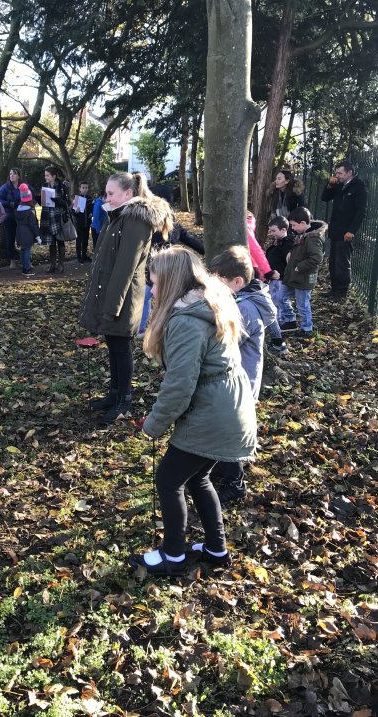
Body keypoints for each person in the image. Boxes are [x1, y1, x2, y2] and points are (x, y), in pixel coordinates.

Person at [128, 247, 257, 576]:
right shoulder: (207, 302)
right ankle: (216, 549)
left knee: (168, 480)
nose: (152, 290)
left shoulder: (187, 321)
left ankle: (172, 555)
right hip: (225, 407)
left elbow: (179, 386)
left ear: (171, 282)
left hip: (214, 413)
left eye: (155, 283)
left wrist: (154, 425)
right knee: (198, 478)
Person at [79, 171, 172, 424]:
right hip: (114, 295)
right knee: (113, 345)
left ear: (128, 194)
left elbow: (125, 267)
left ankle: (124, 401)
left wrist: (112, 306)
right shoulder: (119, 215)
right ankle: (114, 394)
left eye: (111, 193)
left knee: (121, 348)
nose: (106, 197)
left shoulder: (135, 220)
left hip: (124, 297)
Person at [209, 246, 277, 503]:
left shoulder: (245, 309)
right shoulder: (240, 301)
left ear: (237, 282)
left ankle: (235, 483)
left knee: (229, 430)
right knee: (224, 426)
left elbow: (227, 343)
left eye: (219, 282)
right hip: (236, 379)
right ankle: (221, 468)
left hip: (240, 381)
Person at [138, 217, 205, 337]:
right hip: (152, 271)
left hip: (173, 273)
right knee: (145, 297)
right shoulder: (148, 226)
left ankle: (164, 327)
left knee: (169, 300)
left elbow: (188, 238)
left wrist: (203, 249)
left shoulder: (174, 226)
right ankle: (142, 328)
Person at [321, 160, 368, 302]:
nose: (337, 175)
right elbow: (325, 198)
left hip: (346, 231)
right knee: (333, 261)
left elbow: (361, 212)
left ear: (350, 173)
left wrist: (352, 231)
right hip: (335, 229)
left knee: (342, 263)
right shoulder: (338, 185)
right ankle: (334, 289)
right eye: (336, 173)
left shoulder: (359, 187)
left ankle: (342, 292)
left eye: (340, 173)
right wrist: (329, 185)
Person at [278, 207, 327, 338]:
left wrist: (299, 267)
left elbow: (316, 258)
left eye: (294, 225)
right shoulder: (302, 234)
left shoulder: (313, 238)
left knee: (302, 304)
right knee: (281, 297)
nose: (292, 228)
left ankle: (307, 328)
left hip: (303, 277)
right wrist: (291, 253)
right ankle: (289, 321)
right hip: (293, 276)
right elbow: (299, 249)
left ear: (303, 223)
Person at [40, 166, 71, 274]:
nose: (46, 177)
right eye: (45, 175)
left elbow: (67, 203)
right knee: (51, 242)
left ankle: (61, 265)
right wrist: (38, 199)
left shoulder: (62, 186)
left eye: (47, 175)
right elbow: (43, 202)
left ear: (54, 176)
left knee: (60, 240)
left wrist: (57, 200)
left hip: (58, 217)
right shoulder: (44, 186)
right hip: (48, 216)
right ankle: (52, 265)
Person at [265, 216, 295, 327]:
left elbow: (289, 258)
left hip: (281, 277)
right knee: (275, 298)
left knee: (280, 299)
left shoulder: (287, 243)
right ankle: (280, 319)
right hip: (274, 276)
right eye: (270, 231)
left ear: (283, 230)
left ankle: (288, 320)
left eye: (273, 231)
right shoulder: (278, 242)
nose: (271, 233)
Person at [0, 168, 22, 269]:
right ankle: (12, 260)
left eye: (14, 174)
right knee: (10, 239)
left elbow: (31, 196)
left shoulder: (24, 186)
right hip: (9, 216)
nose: (12, 175)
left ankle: (25, 259)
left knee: (23, 239)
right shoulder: (5, 187)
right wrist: (10, 204)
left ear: (18, 176)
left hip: (22, 217)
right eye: (10, 174)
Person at [15, 184, 42, 277]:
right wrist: (38, 236)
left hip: (19, 233)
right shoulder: (30, 212)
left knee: (23, 250)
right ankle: (27, 268)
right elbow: (33, 225)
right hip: (28, 234)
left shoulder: (18, 210)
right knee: (26, 251)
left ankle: (24, 266)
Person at [72, 181, 93, 263]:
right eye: (83, 187)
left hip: (87, 223)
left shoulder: (90, 198)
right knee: (79, 239)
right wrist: (75, 212)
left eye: (86, 187)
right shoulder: (77, 198)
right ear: (80, 189)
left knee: (85, 239)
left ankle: (84, 255)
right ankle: (79, 256)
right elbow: (73, 212)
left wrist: (91, 214)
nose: (85, 189)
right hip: (79, 223)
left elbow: (92, 210)